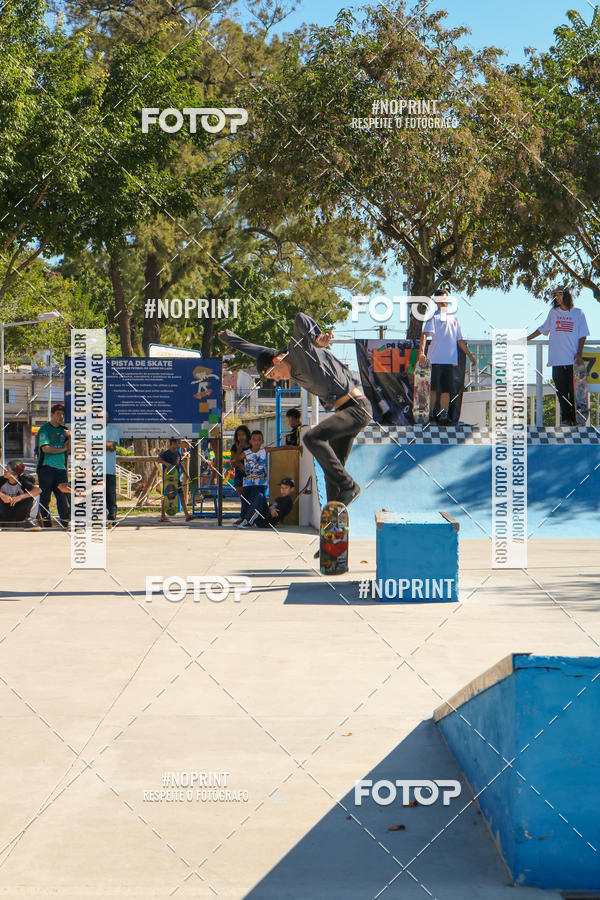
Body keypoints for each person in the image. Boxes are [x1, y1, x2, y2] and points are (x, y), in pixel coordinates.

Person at [219, 313, 370, 506]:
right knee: (332, 470)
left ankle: (350, 486)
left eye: (274, 374)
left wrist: (317, 337)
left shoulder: (299, 352)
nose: (276, 379)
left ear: (278, 361)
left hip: (357, 408)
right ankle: (334, 512)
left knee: (311, 438)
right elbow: (257, 351)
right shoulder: (278, 360)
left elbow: (299, 318)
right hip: (344, 412)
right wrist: (229, 338)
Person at [527, 286, 589, 426]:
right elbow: (543, 329)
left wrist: (579, 353)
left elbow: (583, 335)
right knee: (561, 392)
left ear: (566, 295)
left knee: (574, 392)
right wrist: (526, 339)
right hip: (557, 360)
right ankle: (566, 418)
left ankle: (576, 418)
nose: (557, 298)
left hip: (572, 360)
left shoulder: (578, 313)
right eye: (555, 295)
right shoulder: (553, 312)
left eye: (560, 295)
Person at [418, 289, 476, 424]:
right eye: (440, 299)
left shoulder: (454, 319)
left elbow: (459, 340)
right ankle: (430, 414)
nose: (443, 302)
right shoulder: (433, 317)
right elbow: (425, 334)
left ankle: (443, 415)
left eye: (445, 299)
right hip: (435, 359)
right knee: (433, 389)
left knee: (446, 391)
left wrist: (470, 355)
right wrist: (421, 352)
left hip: (449, 361)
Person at [37, 403, 70, 528]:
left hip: (61, 468)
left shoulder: (64, 430)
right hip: (46, 468)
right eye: (58, 414)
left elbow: (70, 449)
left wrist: (71, 437)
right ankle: (46, 523)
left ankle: (65, 522)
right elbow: (46, 449)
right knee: (45, 497)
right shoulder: (44, 429)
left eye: (62, 414)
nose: (60, 416)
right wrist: (62, 449)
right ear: (52, 414)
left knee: (63, 497)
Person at [237, 430, 268, 526]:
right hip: (248, 483)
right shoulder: (246, 453)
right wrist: (245, 470)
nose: (256, 442)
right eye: (254, 440)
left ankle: (250, 520)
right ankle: (243, 519)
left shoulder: (264, 451)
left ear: (262, 441)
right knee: (246, 501)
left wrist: (297, 448)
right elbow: (236, 461)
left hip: (261, 484)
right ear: (250, 441)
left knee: (258, 500)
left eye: (259, 440)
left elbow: (281, 448)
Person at [158, 438, 193, 523]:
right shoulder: (166, 453)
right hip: (168, 479)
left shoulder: (178, 453)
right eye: (177, 443)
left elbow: (180, 464)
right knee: (166, 495)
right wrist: (166, 464)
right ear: (171, 443)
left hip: (176, 478)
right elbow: (158, 459)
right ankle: (163, 516)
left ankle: (187, 515)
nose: (178, 445)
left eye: (179, 443)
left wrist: (185, 473)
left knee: (181, 495)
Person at [0, 460, 42, 529]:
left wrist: (20, 497)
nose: (5, 470)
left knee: (36, 495)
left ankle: (31, 520)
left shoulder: (23, 481)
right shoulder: (2, 480)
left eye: (7, 469)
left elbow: (38, 490)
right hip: (4, 511)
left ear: (15, 474)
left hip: (19, 511)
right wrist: (2, 495)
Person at [230, 425, 251, 524]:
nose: (241, 437)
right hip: (240, 475)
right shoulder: (235, 447)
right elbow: (233, 463)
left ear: (247, 435)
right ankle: (243, 517)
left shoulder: (252, 446)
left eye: (243, 434)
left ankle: (249, 517)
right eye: (238, 435)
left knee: (250, 496)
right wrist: (239, 449)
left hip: (251, 474)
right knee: (243, 498)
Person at [105, 413, 120, 524]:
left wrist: (93, 444)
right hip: (93, 470)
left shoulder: (113, 430)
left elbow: (111, 447)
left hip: (108, 469)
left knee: (110, 495)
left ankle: (112, 517)